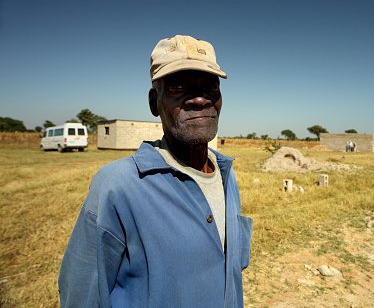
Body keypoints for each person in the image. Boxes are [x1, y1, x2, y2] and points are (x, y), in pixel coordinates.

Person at [58, 35, 253, 307]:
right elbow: (83, 294)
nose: (199, 99)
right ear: (154, 102)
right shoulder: (118, 185)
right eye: (178, 86)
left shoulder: (226, 176)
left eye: (210, 86)